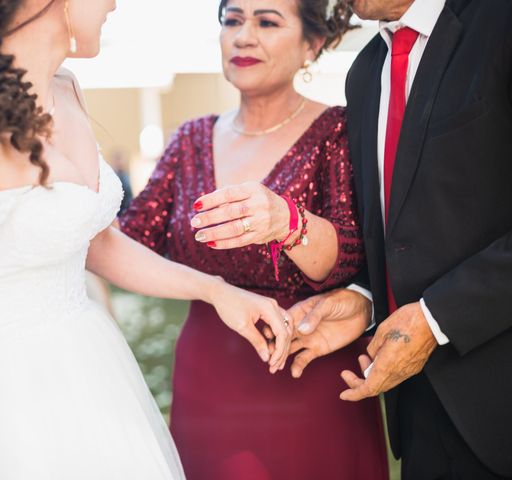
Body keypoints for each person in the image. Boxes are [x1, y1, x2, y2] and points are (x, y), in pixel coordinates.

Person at [0, 1, 294, 478]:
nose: (115, 3)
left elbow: (97, 242)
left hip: (91, 372)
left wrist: (215, 290)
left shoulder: (67, 88)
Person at [118, 0, 388, 478]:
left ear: (313, 44)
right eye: (233, 20)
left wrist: (287, 224)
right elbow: (130, 243)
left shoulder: (338, 130)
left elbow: (350, 255)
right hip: (207, 377)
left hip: (306, 371)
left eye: (267, 22)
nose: (244, 36)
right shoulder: (189, 139)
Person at [282, 0, 512, 478]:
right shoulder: (365, 73)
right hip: (417, 408)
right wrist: (363, 298)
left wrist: (436, 319)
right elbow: (397, 225)